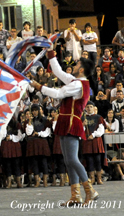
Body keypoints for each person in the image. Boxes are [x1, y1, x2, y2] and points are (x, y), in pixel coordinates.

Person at [30, 48, 99, 206]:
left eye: (77, 64)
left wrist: (39, 86)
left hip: (70, 122)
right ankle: (76, 195)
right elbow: (58, 72)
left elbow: (59, 94)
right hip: (66, 120)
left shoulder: (79, 85)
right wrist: (51, 54)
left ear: (81, 69)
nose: (74, 66)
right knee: (68, 160)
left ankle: (90, 190)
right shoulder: (77, 82)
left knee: (73, 159)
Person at [82, 101, 106, 185]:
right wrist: (83, 125)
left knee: (98, 160)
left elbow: (101, 130)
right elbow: (80, 131)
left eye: (90, 107)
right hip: (87, 141)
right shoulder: (83, 118)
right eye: (87, 107)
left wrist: (93, 135)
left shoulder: (98, 117)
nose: (89, 108)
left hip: (96, 140)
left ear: (94, 108)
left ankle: (99, 178)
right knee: (89, 160)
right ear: (85, 108)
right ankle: (92, 178)